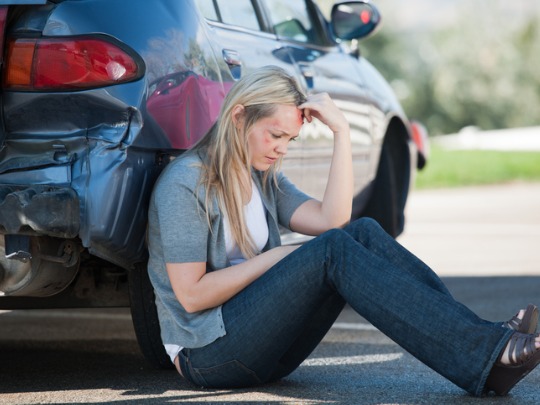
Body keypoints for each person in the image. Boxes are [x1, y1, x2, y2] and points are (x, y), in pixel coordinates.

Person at [147, 65, 540, 397]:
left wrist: (341, 132)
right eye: (275, 135)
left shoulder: (260, 176)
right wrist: (277, 257)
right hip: (208, 356)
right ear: (238, 117)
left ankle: (483, 342)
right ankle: (487, 353)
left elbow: (332, 219)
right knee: (333, 249)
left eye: (290, 139)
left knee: (362, 232)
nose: (282, 149)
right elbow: (192, 295)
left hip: (264, 348)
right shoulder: (185, 184)